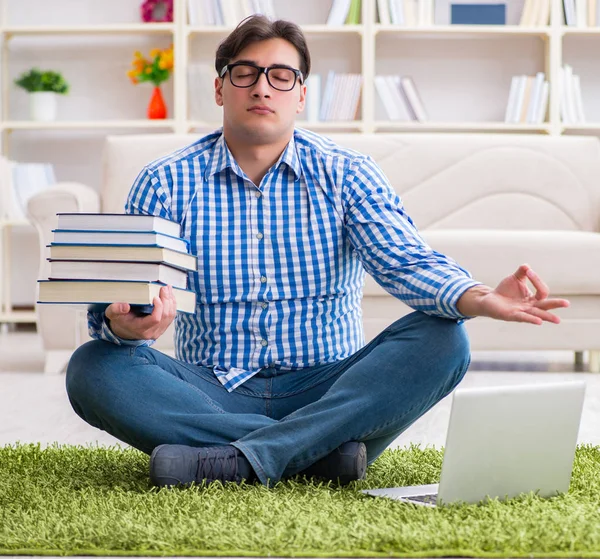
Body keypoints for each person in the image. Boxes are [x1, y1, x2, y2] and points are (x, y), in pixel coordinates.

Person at [65, 15, 569, 488]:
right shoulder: (165, 182)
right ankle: (318, 456)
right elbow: (115, 299)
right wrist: (123, 324)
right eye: (245, 73)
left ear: (302, 94)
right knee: (94, 366)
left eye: (281, 76)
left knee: (444, 341)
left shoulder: (348, 172)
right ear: (219, 88)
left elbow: (404, 260)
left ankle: (235, 459)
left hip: (329, 390)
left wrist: (479, 297)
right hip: (210, 391)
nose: (263, 87)